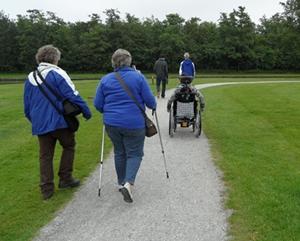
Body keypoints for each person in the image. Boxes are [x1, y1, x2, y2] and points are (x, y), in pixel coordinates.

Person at [23, 45, 92, 200]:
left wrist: (34, 120)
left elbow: (27, 106)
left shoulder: (30, 77)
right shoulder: (57, 73)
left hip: (40, 124)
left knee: (45, 155)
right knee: (69, 146)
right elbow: (72, 94)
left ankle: (46, 189)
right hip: (60, 121)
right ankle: (65, 178)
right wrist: (86, 112)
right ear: (55, 58)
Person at [94, 49, 156, 203]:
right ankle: (128, 183)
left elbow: (98, 104)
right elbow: (150, 101)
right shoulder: (138, 78)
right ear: (129, 61)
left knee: (119, 152)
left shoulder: (105, 79)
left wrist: (108, 111)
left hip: (112, 123)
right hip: (134, 124)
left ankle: (121, 182)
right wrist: (153, 105)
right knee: (135, 153)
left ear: (113, 62)